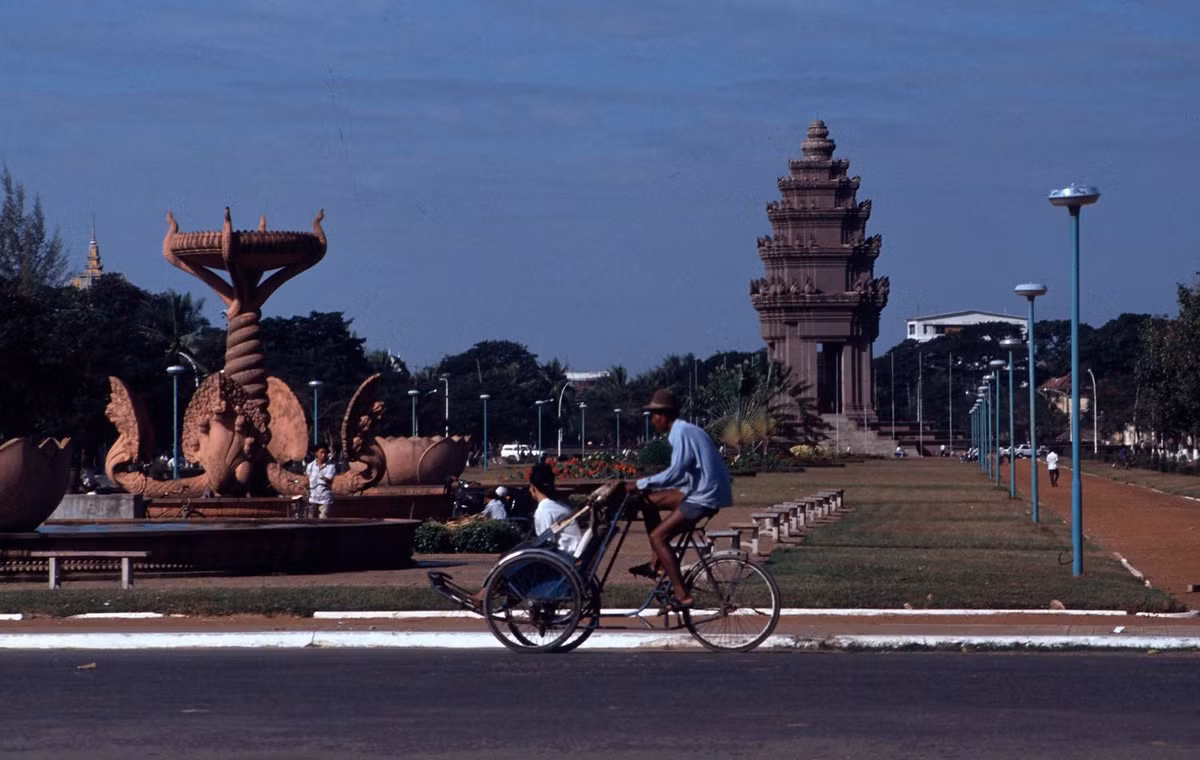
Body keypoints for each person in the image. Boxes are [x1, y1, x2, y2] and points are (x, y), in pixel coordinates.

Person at [628, 388, 732, 611]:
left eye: (654, 416)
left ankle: (682, 594)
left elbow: (675, 473)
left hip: (703, 495)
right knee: (647, 502)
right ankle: (657, 564)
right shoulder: (685, 430)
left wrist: (639, 483)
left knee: (658, 536)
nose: (652, 421)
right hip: (698, 490)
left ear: (663, 415)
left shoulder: (680, 432)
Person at [529, 463, 583, 554]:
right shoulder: (560, 506)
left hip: (562, 557)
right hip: (572, 552)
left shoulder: (543, 511)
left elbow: (546, 544)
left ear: (533, 487)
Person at [305, 445, 336, 518]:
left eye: (325, 453)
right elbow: (307, 480)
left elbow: (330, 480)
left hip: (325, 499)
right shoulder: (310, 466)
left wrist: (324, 478)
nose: (324, 455)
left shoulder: (331, 466)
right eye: (321, 452)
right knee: (310, 520)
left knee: (323, 521)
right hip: (312, 498)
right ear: (316, 453)